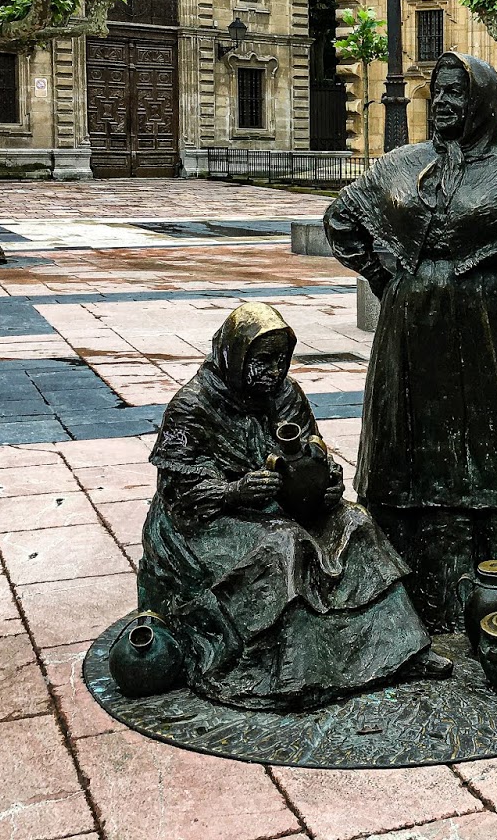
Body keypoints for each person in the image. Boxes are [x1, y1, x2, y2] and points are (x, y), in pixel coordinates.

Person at [324, 52, 497, 632]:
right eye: (438, 93)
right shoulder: (401, 163)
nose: (444, 104)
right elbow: (342, 217)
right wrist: (386, 278)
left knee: (491, 438)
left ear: (483, 104)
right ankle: (407, 576)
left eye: (456, 95)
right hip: (409, 325)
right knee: (408, 433)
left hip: (487, 326)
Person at [137, 302, 451, 710]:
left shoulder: (286, 396)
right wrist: (236, 491)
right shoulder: (193, 406)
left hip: (280, 506)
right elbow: (180, 495)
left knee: (356, 522)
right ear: (234, 354)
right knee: (285, 547)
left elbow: (313, 455)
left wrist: (327, 482)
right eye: (262, 360)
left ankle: (402, 650)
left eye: (281, 360)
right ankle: (291, 675)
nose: (273, 370)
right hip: (205, 520)